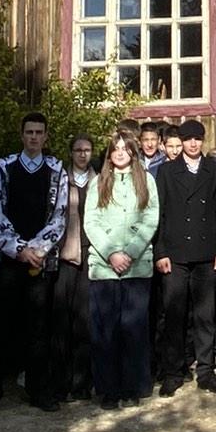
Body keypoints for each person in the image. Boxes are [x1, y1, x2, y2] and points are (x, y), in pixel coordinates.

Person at [0, 113, 69, 412]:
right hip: (9, 260)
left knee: (39, 329)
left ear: (46, 136)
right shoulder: (3, 167)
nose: (34, 137)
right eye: (29, 132)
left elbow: (60, 216)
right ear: (21, 135)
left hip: (40, 261)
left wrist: (37, 249)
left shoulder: (57, 170)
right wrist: (19, 248)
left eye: (39, 132)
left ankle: (38, 390)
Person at [82, 129, 160, 408]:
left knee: (133, 328)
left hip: (137, 267)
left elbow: (151, 218)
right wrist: (111, 253)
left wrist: (130, 252)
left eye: (125, 148)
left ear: (132, 152)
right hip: (104, 269)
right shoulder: (98, 182)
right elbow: (91, 221)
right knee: (106, 331)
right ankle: (108, 389)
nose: (119, 153)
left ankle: (132, 386)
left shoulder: (146, 180)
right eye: (115, 149)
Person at [153, 119, 216, 395]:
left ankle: (206, 371)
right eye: (188, 139)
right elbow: (159, 214)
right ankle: (173, 372)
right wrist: (160, 251)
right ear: (181, 142)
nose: (193, 143)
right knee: (174, 315)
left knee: (205, 315)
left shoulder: (213, 168)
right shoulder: (166, 171)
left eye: (197, 138)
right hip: (175, 253)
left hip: (206, 252)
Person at [56, 135, 97, 401]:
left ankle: (82, 382)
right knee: (62, 320)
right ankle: (61, 382)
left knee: (85, 320)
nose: (82, 154)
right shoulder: (60, 179)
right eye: (78, 150)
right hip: (64, 256)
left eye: (87, 150)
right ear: (70, 153)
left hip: (90, 254)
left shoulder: (99, 180)